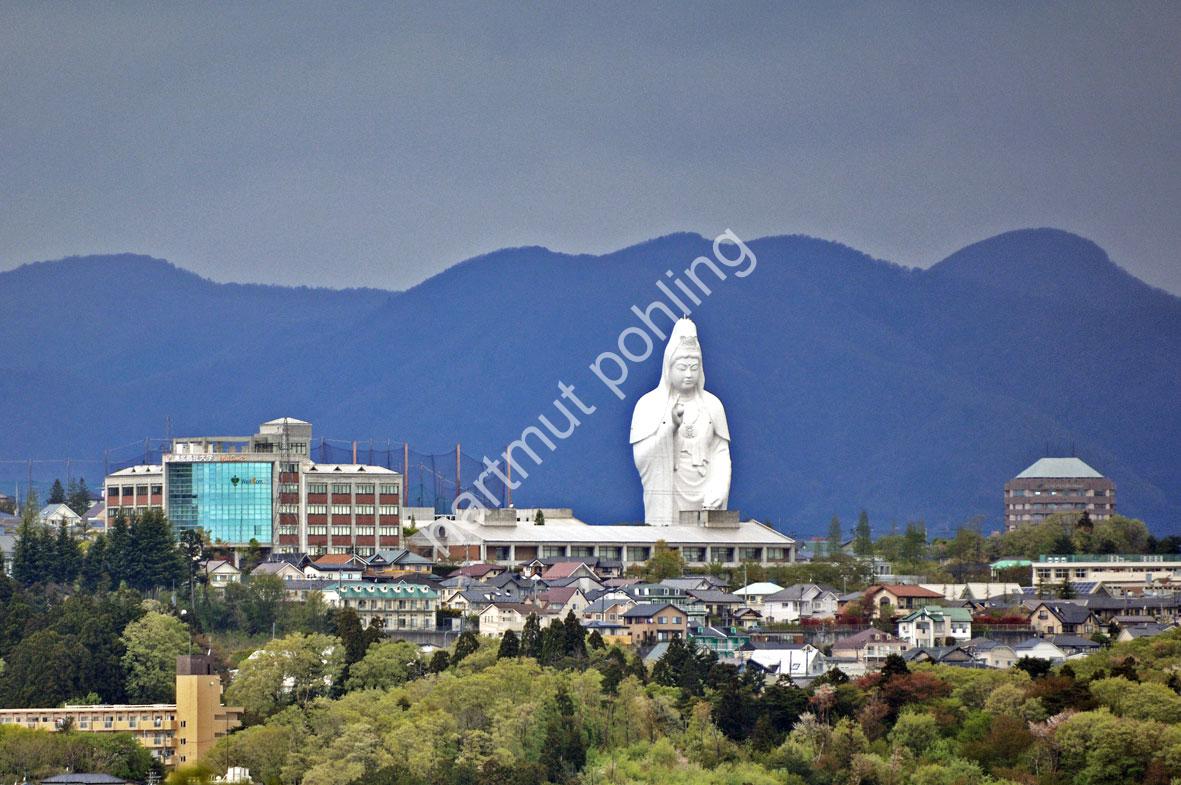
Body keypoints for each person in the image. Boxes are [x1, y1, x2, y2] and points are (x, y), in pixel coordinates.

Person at [629, 317, 730, 525]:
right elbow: (641, 458)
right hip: (669, 495)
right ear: (669, 367)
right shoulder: (649, 405)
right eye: (682, 367)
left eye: (694, 367)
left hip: (705, 493)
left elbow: (721, 454)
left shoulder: (713, 406)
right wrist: (670, 427)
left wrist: (719, 487)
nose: (688, 374)